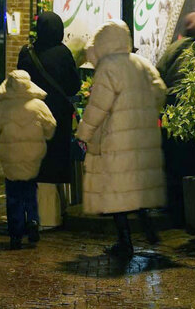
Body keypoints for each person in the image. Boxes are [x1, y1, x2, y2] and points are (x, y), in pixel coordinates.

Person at [76, 20, 167, 258]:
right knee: (135, 184)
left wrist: (83, 134)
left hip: (116, 138)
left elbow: (98, 107)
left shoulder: (108, 67)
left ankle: (125, 241)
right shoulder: (141, 63)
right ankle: (148, 228)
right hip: (142, 135)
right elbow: (160, 91)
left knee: (116, 190)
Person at [156, 12, 195, 227]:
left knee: (175, 164)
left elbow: (159, 76)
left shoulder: (174, 50)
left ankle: (175, 210)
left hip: (174, 116)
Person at [16, 11, 80, 224]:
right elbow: (74, 85)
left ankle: (32, 214)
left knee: (35, 162)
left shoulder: (26, 53)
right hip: (57, 117)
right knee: (55, 161)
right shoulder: (63, 53)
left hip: (31, 115)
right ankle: (53, 214)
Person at [0, 70, 56, 250]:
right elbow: (51, 126)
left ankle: (16, 233)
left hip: (10, 156)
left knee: (13, 195)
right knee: (30, 190)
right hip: (32, 156)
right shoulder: (38, 105)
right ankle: (33, 219)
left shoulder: (3, 107)